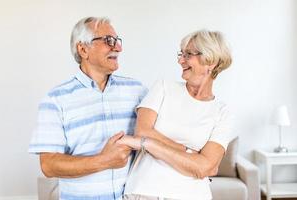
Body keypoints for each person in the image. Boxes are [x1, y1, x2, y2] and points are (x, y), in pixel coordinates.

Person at [28, 17, 147, 200]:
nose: (118, 48)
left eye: (117, 41)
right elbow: (49, 165)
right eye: (109, 41)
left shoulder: (138, 91)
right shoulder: (55, 100)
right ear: (83, 49)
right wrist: (105, 160)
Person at [118, 30, 234, 200]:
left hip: (191, 195)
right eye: (181, 54)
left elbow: (204, 168)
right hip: (145, 190)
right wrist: (188, 152)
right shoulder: (163, 87)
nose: (181, 60)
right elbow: (142, 132)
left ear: (211, 61)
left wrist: (147, 144)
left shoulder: (222, 112)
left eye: (188, 54)